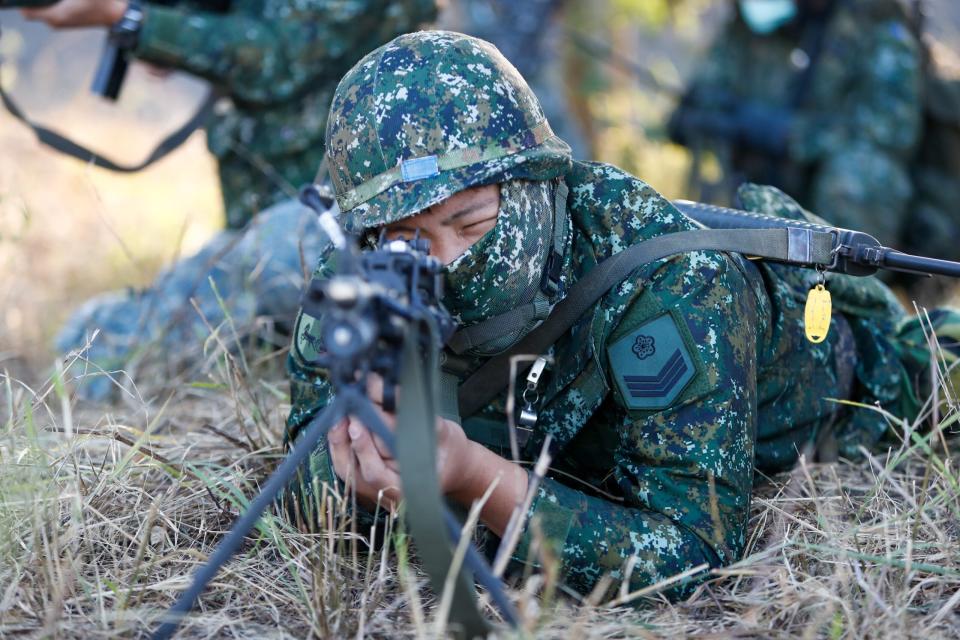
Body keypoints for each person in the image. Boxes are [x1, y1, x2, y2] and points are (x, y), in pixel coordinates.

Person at [284, 30, 960, 600]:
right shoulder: (363, 287)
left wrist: (473, 480)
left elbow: (690, 552)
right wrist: (359, 459)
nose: (444, 261)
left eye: (471, 222)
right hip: (585, 450)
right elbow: (300, 478)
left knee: (935, 370)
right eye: (407, 241)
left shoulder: (675, 288)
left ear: (541, 187)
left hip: (844, 378)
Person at [27, 0, 438, 400]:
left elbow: (278, 54)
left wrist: (134, 19)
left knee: (102, 356)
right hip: (271, 219)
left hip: (345, 221)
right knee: (96, 338)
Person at [22, 0, 438, 229]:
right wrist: (175, 25)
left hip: (338, 208)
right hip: (264, 205)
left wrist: (132, 20)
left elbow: (277, 55)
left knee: (94, 340)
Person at [668, 0, 923, 251]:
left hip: (826, 187)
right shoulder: (752, 23)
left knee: (865, 168)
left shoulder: (878, 29)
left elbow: (887, 134)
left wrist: (786, 134)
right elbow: (709, 84)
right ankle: (713, 260)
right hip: (765, 183)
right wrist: (699, 115)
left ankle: (845, 276)